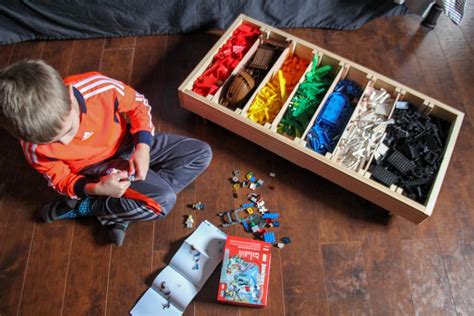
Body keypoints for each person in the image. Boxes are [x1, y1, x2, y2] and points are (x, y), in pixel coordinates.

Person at [0, 59, 212, 246]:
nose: (66, 142)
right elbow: (62, 180)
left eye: (70, 129)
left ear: (71, 95)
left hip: (127, 142)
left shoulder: (98, 88)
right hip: (95, 169)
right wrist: (97, 189)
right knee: (163, 201)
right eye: (54, 141)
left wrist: (143, 147)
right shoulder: (33, 148)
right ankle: (91, 207)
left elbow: (138, 106)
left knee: (201, 153)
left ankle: (125, 207)